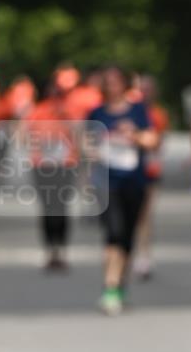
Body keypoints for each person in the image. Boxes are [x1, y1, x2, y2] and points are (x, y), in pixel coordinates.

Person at [87, 65, 159, 314]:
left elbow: (152, 140)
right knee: (113, 233)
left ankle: (119, 285)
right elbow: (85, 145)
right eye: (107, 82)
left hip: (134, 182)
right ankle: (110, 287)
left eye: (116, 81)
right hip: (106, 183)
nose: (112, 86)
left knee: (127, 236)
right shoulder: (96, 113)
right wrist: (93, 151)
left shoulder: (138, 110)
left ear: (124, 84)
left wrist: (134, 135)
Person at [22, 65, 81, 271]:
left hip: (66, 165)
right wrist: (41, 142)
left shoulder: (71, 110)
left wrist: (66, 119)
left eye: (60, 92)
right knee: (47, 207)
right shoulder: (37, 111)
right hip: (43, 166)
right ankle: (50, 251)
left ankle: (61, 250)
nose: (56, 95)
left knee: (62, 207)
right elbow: (23, 136)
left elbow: (81, 136)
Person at [132, 74, 170, 280]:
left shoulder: (158, 114)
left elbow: (159, 143)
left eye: (147, 90)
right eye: (141, 90)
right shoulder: (129, 111)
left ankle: (143, 255)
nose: (144, 94)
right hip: (126, 170)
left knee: (144, 215)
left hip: (148, 169)